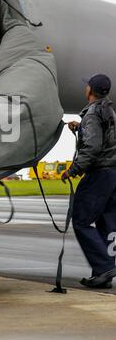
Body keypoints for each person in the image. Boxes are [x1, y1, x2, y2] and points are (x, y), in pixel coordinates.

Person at [62, 74, 116, 289]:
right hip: (113, 173)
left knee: (81, 220)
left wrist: (74, 169)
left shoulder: (93, 113)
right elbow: (103, 138)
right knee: (108, 222)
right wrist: (81, 127)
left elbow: (93, 148)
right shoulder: (109, 111)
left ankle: (103, 267)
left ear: (90, 89)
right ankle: (104, 273)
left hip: (99, 174)